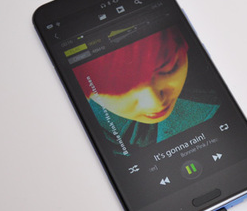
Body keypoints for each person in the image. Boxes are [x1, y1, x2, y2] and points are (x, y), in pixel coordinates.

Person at [73, 26, 219, 155]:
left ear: (183, 42)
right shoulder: (97, 130)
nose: (155, 103)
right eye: (121, 90)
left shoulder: (215, 65)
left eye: (168, 70)